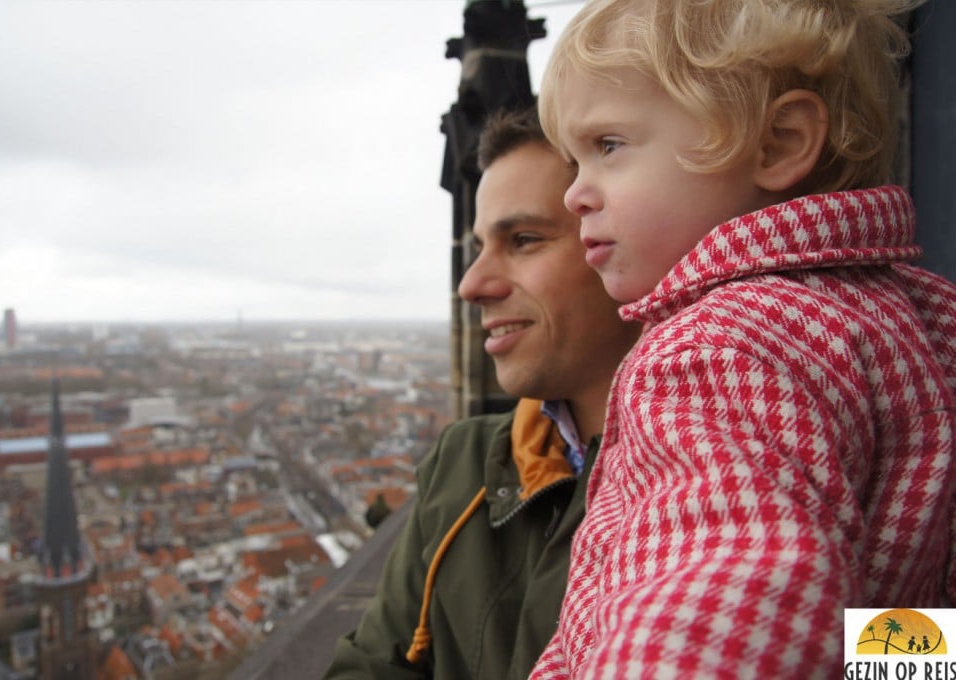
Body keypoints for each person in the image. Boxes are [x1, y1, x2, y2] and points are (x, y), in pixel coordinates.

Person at [528, 1, 956, 678]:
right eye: (574, 161)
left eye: (607, 146)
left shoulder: (717, 353)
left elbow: (718, 623)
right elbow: (916, 623)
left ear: (779, 143)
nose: (575, 195)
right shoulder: (926, 319)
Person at [323, 105, 641, 679]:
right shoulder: (464, 465)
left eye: (523, 239)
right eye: (478, 247)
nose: (472, 284)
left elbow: (863, 661)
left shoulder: (748, 468)